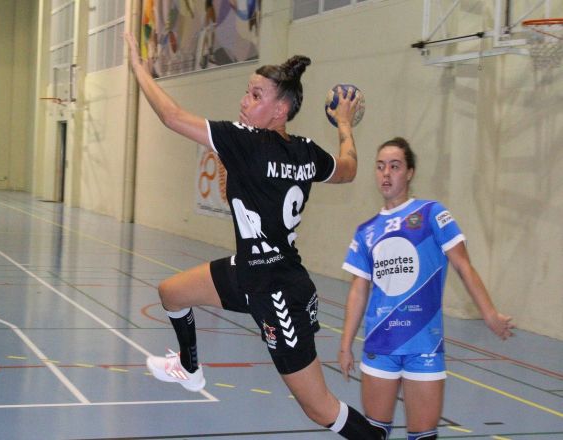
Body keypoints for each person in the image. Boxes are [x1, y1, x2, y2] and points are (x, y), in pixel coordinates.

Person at [125, 33, 381, 439]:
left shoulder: (244, 141)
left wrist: (139, 69)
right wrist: (345, 125)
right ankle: (190, 370)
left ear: (279, 110)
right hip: (250, 269)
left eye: (256, 94)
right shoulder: (305, 151)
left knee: (320, 409)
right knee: (171, 292)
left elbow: (172, 116)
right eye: (247, 92)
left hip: (278, 292)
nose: (245, 100)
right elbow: (348, 168)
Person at [338, 137, 514, 440]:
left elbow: (462, 264)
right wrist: (345, 345)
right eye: (380, 167)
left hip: (424, 346)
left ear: (409, 172)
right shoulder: (366, 231)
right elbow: (358, 291)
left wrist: (489, 313)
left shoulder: (432, 214)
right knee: (373, 434)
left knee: (423, 435)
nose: (386, 174)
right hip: (381, 344)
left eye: (395, 166)